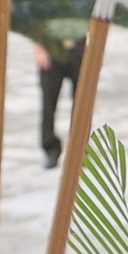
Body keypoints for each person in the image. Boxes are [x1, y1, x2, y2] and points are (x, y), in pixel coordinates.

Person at [35, 33, 84, 168]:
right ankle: (50, 149)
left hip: (80, 47)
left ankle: (79, 150)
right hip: (52, 47)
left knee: (82, 105)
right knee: (48, 104)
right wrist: (39, 49)